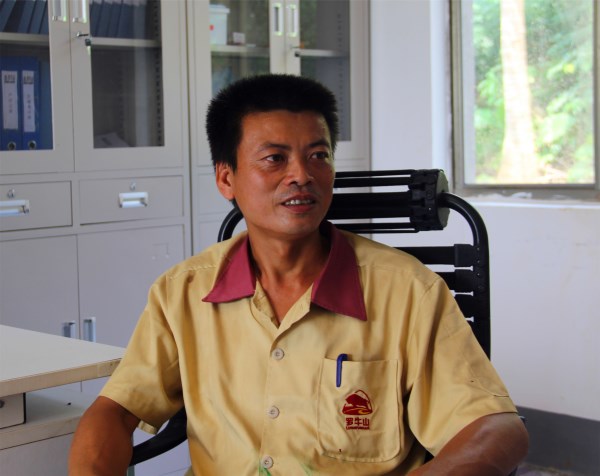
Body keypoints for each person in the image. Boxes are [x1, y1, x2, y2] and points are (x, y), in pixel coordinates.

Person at [69, 74, 528, 475]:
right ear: (226, 179)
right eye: (275, 158)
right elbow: (116, 411)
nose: (302, 176)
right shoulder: (184, 292)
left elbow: (496, 428)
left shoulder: (408, 292)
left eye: (318, 156)